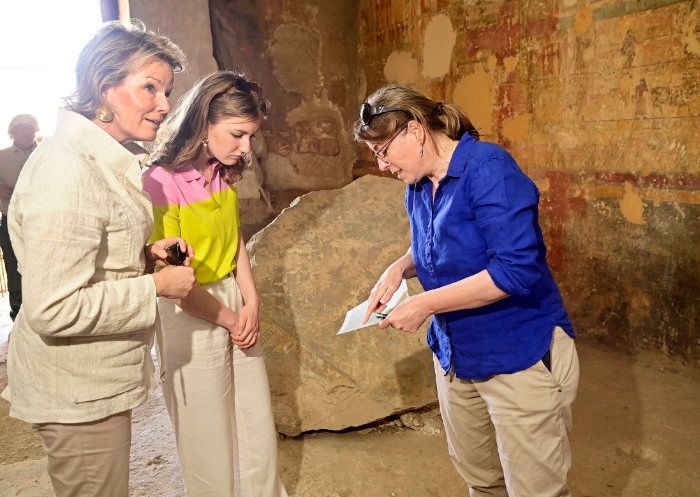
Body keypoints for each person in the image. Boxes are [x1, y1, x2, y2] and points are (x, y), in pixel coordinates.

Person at [1, 20, 195, 497]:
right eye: (149, 87)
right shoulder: (67, 169)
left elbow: (91, 248)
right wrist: (156, 286)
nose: (165, 105)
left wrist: (144, 255)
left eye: (166, 90)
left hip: (90, 384)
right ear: (104, 86)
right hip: (75, 392)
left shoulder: (92, 161)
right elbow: (53, 308)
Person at [355, 85, 580, 497]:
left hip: (517, 352)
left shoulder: (489, 169)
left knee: (535, 489)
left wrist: (423, 303)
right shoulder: (420, 182)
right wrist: (401, 267)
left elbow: (515, 270)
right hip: (457, 352)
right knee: (481, 479)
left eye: (384, 151)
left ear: (415, 132)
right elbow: (440, 239)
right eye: (376, 156)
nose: (383, 165)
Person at [143, 71, 288, 497]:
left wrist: (252, 300)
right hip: (189, 307)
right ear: (204, 123)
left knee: (255, 420)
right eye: (238, 135)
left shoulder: (223, 171)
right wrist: (228, 318)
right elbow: (171, 277)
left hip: (233, 300)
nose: (246, 148)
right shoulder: (159, 180)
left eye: (250, 137)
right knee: (206, 432)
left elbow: (235, 239)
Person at [0, 114, 39, 320]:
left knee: (44, 266)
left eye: (30, 128)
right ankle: (19, 318)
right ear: (12, 131)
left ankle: (41, 316)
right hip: (10, 222)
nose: (27, 132)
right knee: (14, 270)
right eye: (22, 128)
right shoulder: (1, 156)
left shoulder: (47, 154)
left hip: (43, 220)